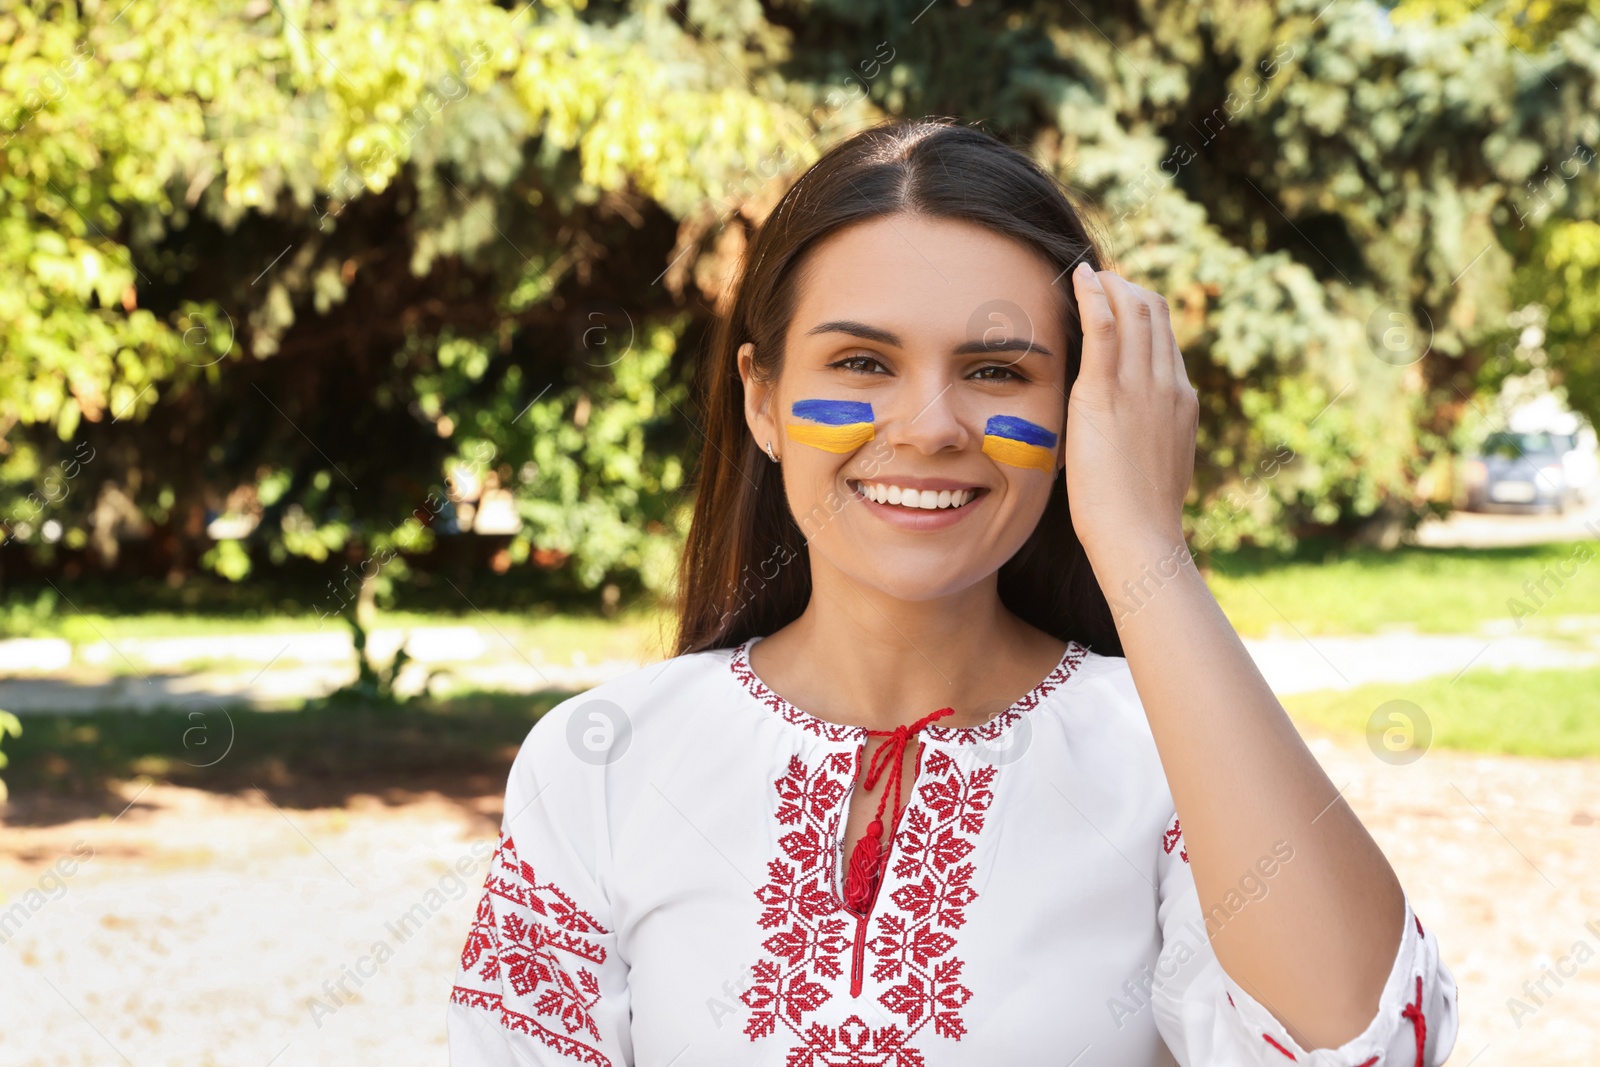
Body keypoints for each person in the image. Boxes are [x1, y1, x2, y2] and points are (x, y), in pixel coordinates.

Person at [446, 118, 1459, 1066]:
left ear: (1078, 407)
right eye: (860, 360)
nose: (929, 426)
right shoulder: (605, 760)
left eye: (993, 369)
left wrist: (1145, 540)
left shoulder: (1165, 758)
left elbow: (1367, 1043)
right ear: (763, 399)